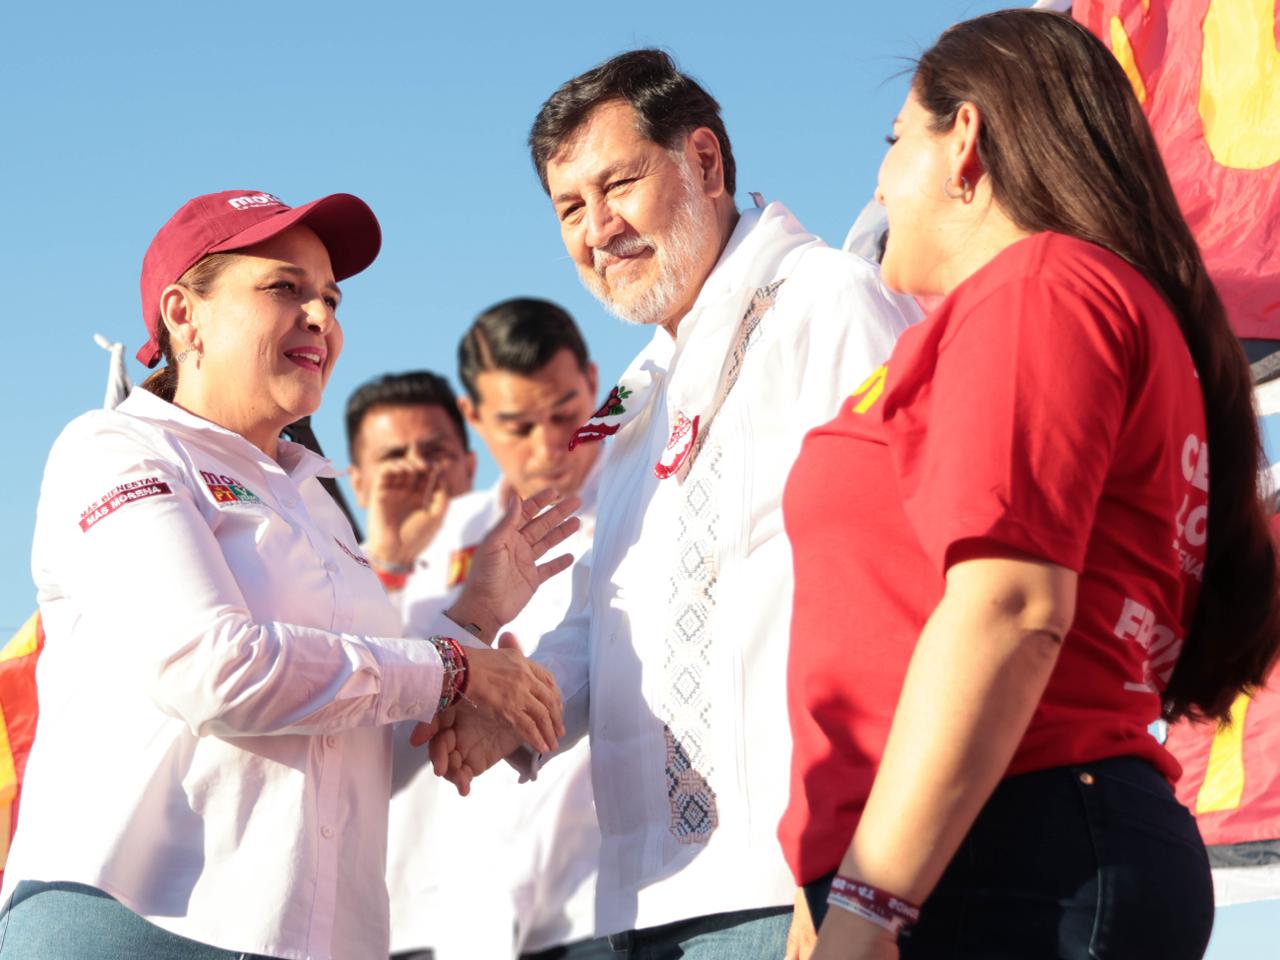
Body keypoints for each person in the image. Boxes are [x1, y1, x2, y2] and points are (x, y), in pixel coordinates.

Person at [779, 11, 1280, 960]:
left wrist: (869, 903)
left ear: (963, 140)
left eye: (893, 143)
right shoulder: (1055, 300)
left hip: (1008, 862)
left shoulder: (1040, 283)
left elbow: (1010, 604)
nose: (880, 181)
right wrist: (830, 888)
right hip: (969, 850)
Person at [421, 51, 918, 958]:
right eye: (569, 208)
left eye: (619, 184)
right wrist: (513, 707)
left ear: (705, 163)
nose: (597, 228)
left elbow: (904, 589)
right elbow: (594, 626)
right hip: (645, 907)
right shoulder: (633, 398)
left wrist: (860, 880)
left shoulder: (827, 302)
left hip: (795, 885)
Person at [0, 189, 574, 960]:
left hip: (313, 939)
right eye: (284, 288)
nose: (320, 317)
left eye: (330, 298)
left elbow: (354, 743)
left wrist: (470, 624)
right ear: (183, 314)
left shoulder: (321, 507)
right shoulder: (116, 447)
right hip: (131, 925)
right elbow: (213, 669)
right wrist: (456, 669)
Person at [389, 297, 610, 960]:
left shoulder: (645, 502)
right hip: (465, 918)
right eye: (517, 426)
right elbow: (398, 700)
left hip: (595, 905)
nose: (546, 448)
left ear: (595, 385)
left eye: (567, 416)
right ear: (474, 417)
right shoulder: (446, 548)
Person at [346, 370, 477, 596]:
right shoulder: (330, 586)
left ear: (469, 467)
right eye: (394, 456)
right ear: (358, 485)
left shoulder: (529, 564)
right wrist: (390, 566)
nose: (417, 466)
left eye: (435, 452)